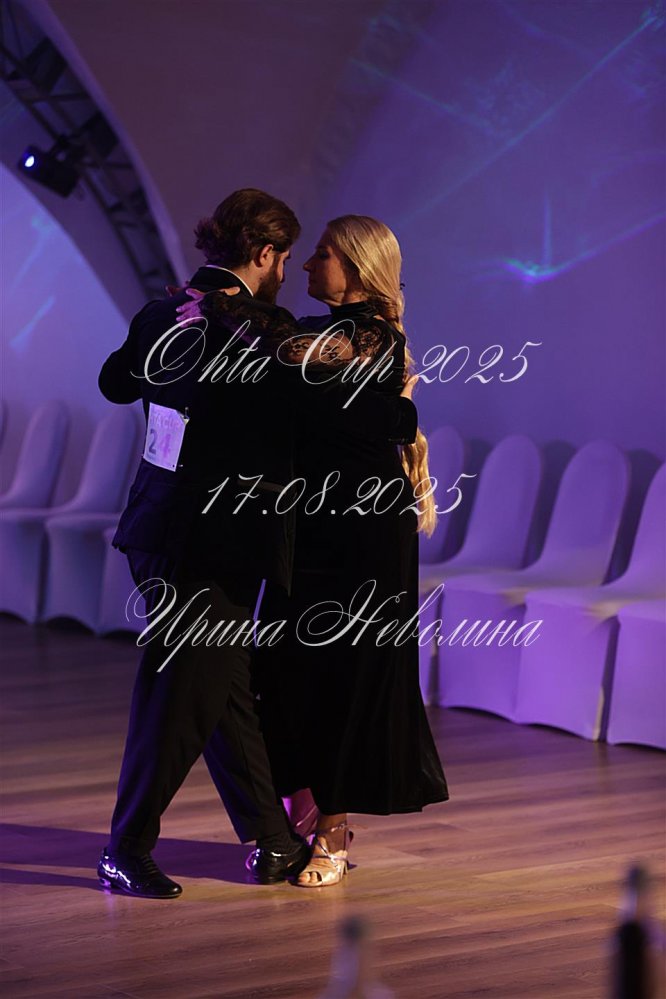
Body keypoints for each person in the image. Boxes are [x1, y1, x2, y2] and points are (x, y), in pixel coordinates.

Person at [96, 190, 419, 898]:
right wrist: (402, 412)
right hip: (211, 537)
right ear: (266, 254)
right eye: (288, 257)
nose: (292, 270)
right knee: (180, 699)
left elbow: (115, 382)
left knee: (224, 689)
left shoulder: (164, 311)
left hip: (157, 522)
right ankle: (127, 846)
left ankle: (273, 839)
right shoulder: (262, 332)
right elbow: (348, 411)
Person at [177, 215, 449, 888]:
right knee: (284, 668)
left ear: (354, 266)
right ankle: (302, 807)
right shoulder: (321, 332)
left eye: (320, 255)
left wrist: (225, 302)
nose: (305, 267)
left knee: (344, 677)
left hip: (363, 532)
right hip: (310, 525)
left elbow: (296, 352)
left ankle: (332, 831)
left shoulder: (374, 337)